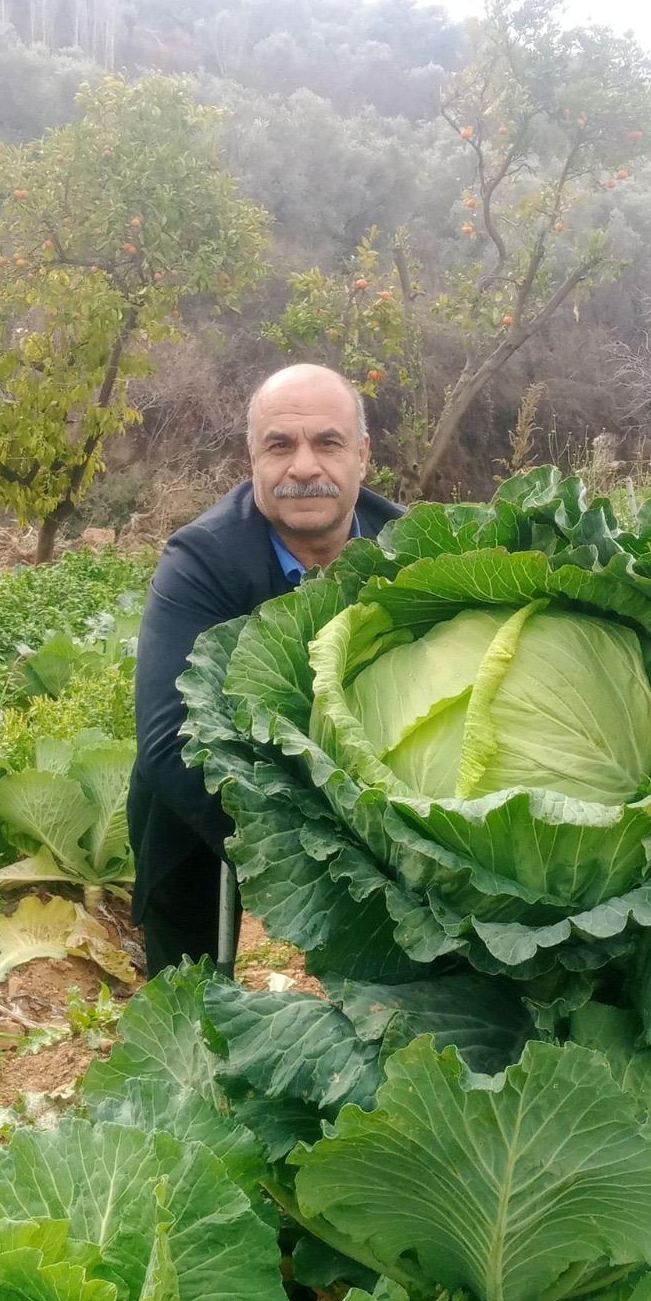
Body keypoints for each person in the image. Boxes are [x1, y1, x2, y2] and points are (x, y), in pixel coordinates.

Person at [128, 363, 403, 974]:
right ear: (252, 457)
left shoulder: (410, 549)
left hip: (389, 818)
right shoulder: (201, 559)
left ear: (363, 454)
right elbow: (169, 743)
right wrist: (311, 851)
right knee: (194, 1013)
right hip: (202, 818)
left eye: (328, 443)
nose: (304, 467)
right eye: (280, 445)